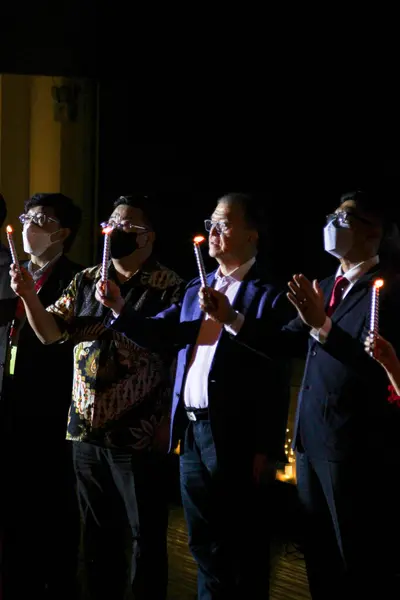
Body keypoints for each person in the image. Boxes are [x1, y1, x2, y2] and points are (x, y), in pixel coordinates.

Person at [96, 193, 293, 600]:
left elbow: (276, 365)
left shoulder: (268, 292)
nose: (214, 232)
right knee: (202, 543)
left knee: (242, 544)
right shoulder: (195, 289)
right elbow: (163, 334)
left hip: (238, 435)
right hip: (194, 430)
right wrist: (119, 309)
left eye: (224, 223)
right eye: (211, 224)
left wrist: (266, 445)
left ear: (252, 235)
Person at [10, 194, 184, 600]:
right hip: (85, 428)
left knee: (143, 537)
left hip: (136, 432)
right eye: (110, 223)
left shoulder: (170, 285)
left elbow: (173, 350)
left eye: (125, 227)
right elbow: (51, 334)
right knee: (96, 537)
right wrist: (28, 296)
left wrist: (166, 422)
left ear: (146, 239)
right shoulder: (87, 279)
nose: (113, 231)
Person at [233, 190, 400, 599]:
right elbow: (283, 341)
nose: (331, 226)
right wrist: (232, 319)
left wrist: (323, 326)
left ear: (373, 231)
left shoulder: (390, 290)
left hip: (355, 446)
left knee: (357, 560)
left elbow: (378, 368)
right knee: (319, 557)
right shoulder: (325, 285)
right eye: (331, 216)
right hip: (310, 443)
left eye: (343, 219)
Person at [0, 193, 83, 600]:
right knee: (13, 508)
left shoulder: (74, 278)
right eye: (27, 217)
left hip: (50, 406)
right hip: (12, 401)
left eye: (41, 219)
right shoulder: (13, 273)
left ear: (62, 232)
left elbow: (57, 339)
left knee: (50, 508)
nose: (30, 226)